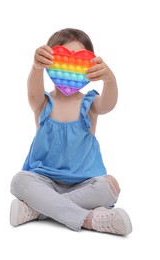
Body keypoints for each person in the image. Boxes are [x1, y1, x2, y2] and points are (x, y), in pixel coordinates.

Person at [10, 28, 132, 236]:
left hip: (84, 184)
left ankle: (38, 210)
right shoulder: (43, 103)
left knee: (111, 185)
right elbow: (32, 91)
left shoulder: (89, 103)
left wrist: (109, 79)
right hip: (45, 181)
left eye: (79, 63)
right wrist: (36, 67)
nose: (71, 69)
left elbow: (109, 104)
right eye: (65, 61)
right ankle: (89, 219)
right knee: (19, 181)